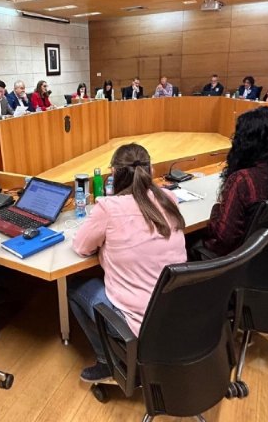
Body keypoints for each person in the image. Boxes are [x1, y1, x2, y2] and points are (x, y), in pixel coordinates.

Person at [69, 143, 187, 382]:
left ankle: (106, 361)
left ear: (114, 174)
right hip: (176, 312)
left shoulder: (109, 207)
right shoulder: (168, 198)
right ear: (151, 170)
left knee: (73, 287)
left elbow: (81, 248)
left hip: (137, 323)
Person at [202, 106, 268, 256]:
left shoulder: (243, 180)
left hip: (242, 262)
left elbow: (224, 239)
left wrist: (216, 212)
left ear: (245, 143)